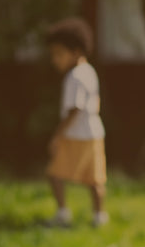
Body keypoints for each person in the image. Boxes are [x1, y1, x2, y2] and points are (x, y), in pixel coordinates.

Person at [43, 18, 108, 227]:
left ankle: (62, 213)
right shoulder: (89, 71)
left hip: (75, 134)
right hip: (94, 132)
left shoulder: (75, 76)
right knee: (95, 178)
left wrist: (57, 135)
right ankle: (99, 216)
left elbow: (74, 109)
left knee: (54, 173)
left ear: (76, 51)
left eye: (58, 54)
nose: (54, 60)